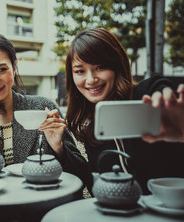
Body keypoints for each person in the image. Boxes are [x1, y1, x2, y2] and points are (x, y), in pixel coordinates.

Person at [0, 31, 89, 187]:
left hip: (42, 205)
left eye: (2, 70)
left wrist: (58, 147)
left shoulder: (42, 109)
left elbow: (82, 174)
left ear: (14, 67)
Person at [64, 27, 184, 194]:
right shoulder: (92, 129)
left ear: (116, 66)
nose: (91, 79)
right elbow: (96, 189)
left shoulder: (146, 94)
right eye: (80, 71)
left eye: (100, 67)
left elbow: (161, 89)